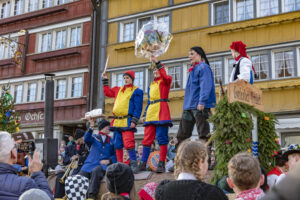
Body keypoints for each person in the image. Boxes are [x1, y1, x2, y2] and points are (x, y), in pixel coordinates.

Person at [155, 140, 228, 200]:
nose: (207, 164)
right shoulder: (212, 193)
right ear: (199, 163)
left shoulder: (162, 191)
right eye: (206, 161)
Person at [102, 70, 143, 173]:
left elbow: (138, 108)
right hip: (117, 122)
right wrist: (105, 80)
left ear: (132, 79)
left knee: (129, 143)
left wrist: (134, 120)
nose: (125, 80)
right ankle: (119, 164)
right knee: (117, 144)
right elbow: (107, 92)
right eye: (124, 78)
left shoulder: (136, 91)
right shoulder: (118, 90)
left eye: (127, 78)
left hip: (128, 120)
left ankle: (133, 164)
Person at [175, 47, 216, 150]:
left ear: (199, 55)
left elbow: (205, 85)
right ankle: (180, 159)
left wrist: (202, 101)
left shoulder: (203, 67)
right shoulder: (193, 69)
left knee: (203, 133)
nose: (190, 57)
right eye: (189, 54)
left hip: (199, 106)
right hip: (188, 106)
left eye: (192, 54)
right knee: (182, 134)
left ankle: (205, 158)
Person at [138, 55, 173, 173]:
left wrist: (157, 62)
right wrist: (144, 114)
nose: (156, 72)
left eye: (157, 70)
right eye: (154, 70)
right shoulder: (152, 85)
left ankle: (162, 163)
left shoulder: (166, 80)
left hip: (162, 111)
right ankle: (143, 163)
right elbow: (149, 101)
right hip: (151, 113)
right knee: (147, 139)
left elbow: (164, 75)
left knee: (162, 138)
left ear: (161, 69)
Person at [0, 131, 54, 200]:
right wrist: (37, 172)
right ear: (13, 153)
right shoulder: (25, 184)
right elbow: (46, 198)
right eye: (15, 147)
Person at [79, 119, 117, 199]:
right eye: (107, 127)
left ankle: (92, 195)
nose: (109, 128)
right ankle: (79, 195)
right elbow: (86, 139)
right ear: (103, 128)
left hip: (102, 166)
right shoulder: (94, 137)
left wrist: (109, 160)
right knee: (81, 175)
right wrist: (91, 126)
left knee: (96, 171)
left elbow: (115, 154)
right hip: (90, 164)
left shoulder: (111, 140)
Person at [54, 128, 89, 198]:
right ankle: (58, 197)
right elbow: (65, 161)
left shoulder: (85, 147)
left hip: (80, 168)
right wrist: (71, 158)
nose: (83, 140)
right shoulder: (69, 147)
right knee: (59, 177)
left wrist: (78, 157)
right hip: (69, 168)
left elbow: (87, 158)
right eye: (82, 138)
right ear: (78, 138)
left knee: (74, 178)